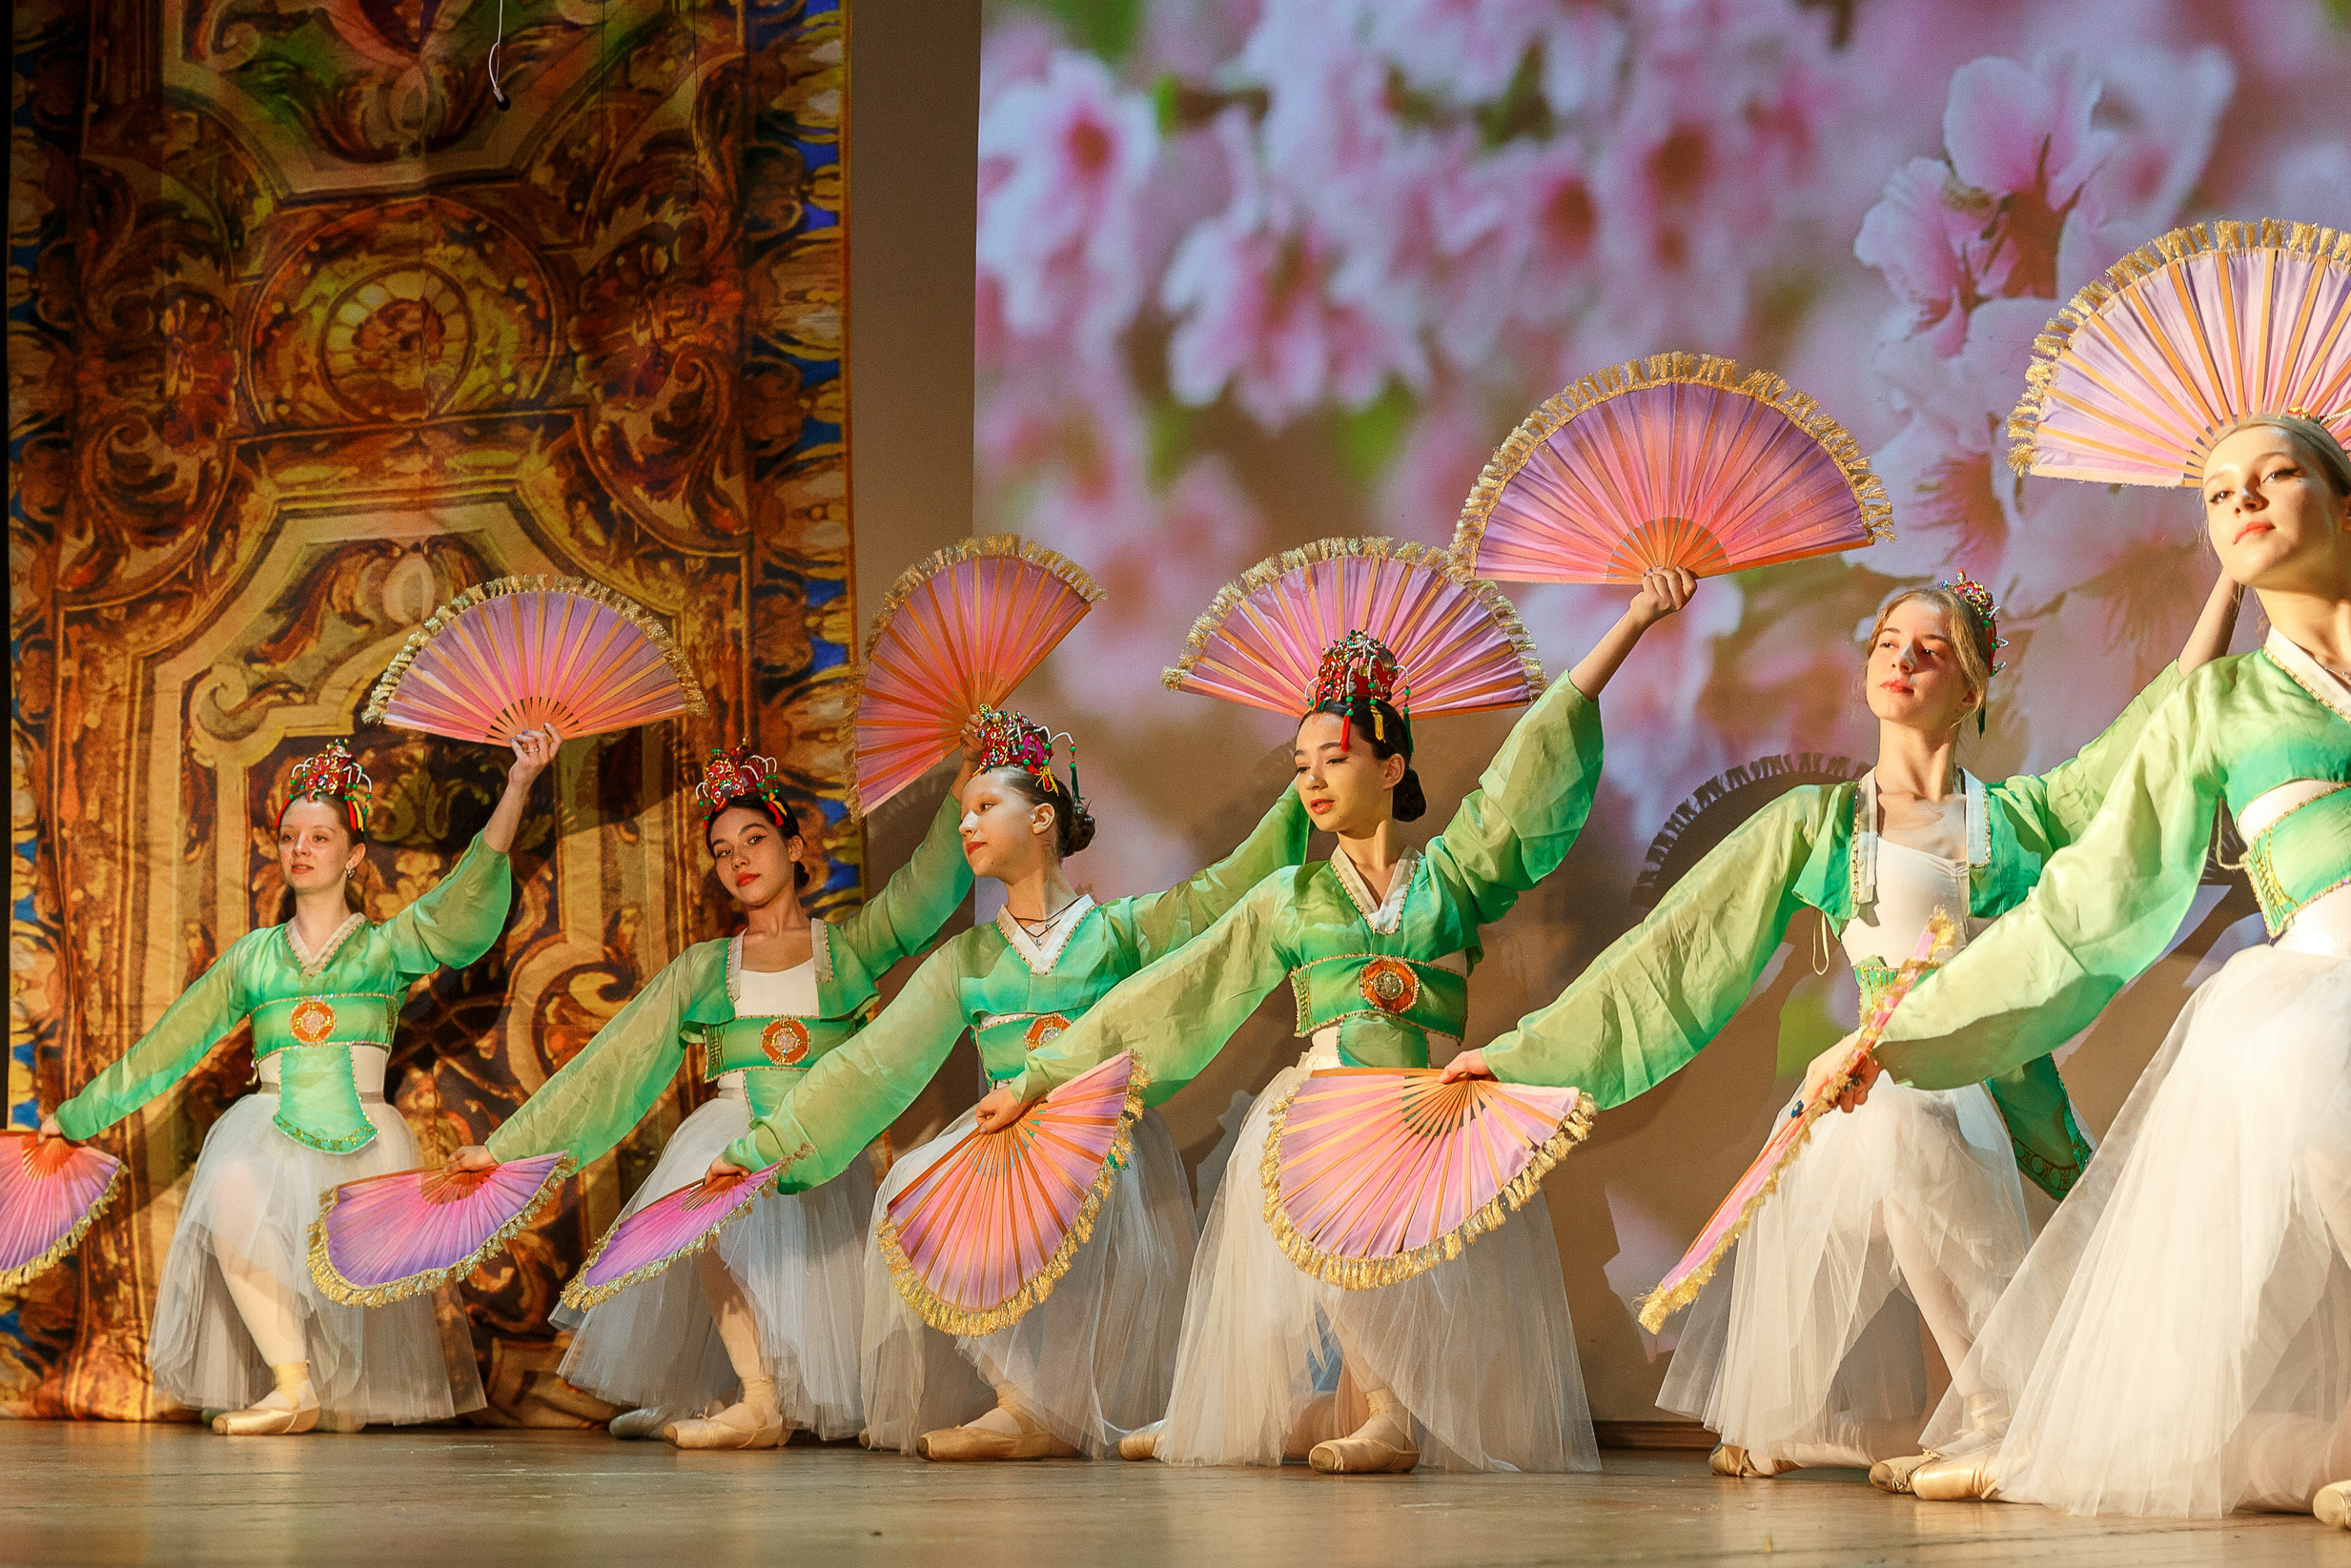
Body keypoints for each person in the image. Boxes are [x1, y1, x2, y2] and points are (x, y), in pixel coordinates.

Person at [1442, 573, 2238, 1478]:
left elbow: (2156, 728)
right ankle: (1990, 1405)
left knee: (1919, 1121)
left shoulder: (2017, 820)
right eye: (1888, 642)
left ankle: (1955, 1413)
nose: (1902, 658)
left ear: (1972, 687)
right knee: (1896, 1115)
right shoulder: (1820, 826)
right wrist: (1517, 1057)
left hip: (1977, 1097)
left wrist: (2229, 580)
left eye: (1931, 649)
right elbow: (1673, 955)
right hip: (1860, 1107)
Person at [1853, 414, 2351, 1529]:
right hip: (2335, 1014)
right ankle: (2048, 1436)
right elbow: (2088, 910)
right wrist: (1903, 1030)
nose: (2244, 501)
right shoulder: (2214, 707)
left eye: (2275, 476)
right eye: (2218, 495)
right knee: (2312, 1050)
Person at [988, 568, 1693, 1475]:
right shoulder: (1290, 896)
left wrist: (1633, 620)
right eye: (1300, 765)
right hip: (1326, 1109)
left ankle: (1358, 1416)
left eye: (1335, 756)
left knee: (1374, 1284)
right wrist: (1043, 1074)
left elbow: (1530, 772)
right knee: (1314, 1220)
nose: (1313, 779)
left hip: (1426, 1114)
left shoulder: (1451, 876)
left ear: (1391, 766)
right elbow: (1178, 992)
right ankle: (1358, 1416)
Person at [703, 709, 1313, 1461]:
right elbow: (875, 1063)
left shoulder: (1119, 930)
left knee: (1091, 1219)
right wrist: (769, 1145)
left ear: (1044, 816)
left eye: (986, 806)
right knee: (916, 1194)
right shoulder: (968, 958)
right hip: (1008, 1138)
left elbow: (1226, 899)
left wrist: (1300, 794)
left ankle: (1054, 1408)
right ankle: (1020, 1400)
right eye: (964, 813)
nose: (968, 825)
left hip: (1101, 1144)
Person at [446, 742, 975, 1449]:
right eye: (723, 851)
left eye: (754, 839)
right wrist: (507, 1148)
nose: (739, 860)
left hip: (817, 1132)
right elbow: (615, 1065)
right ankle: (754, 1397)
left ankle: (770, 1397)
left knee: (811, 1269)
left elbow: (925, 889)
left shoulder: (845, 948)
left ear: (793, 843)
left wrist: (966, 780)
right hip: (731, 1125)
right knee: (709, 1217)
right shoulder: (707, 967)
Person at [41, 729, 560, 1434]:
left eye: (320, 836)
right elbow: (168, 1044)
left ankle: (332, 1395)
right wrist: (76, 1117)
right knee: (229, 1192)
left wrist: (520, 783)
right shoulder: (256, 958)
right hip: (269, 1127)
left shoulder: (384, 948)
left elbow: (466, 893)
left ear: (353, 854)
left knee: (334, 1257)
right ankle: (293, 1385)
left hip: (364, 1133)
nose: (301, 849)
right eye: (290, 836)